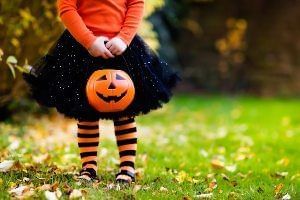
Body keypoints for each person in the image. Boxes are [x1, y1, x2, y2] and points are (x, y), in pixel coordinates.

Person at [23, 0, 181, 184]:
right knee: (86, 112)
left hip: (122, 47)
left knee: (125, 111)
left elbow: (136, 3)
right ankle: (88, 167)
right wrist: (89, 41)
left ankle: (127, 167)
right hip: (82, 48)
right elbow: (67, 9)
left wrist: (124, 38)